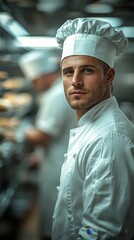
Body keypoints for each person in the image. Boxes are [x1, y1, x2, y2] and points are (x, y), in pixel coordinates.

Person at [51, 18, 134, 240]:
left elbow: (99, 231)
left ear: (109, 76)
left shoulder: (110, 139)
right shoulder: (92, 126)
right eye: (68, 72)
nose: (75, 81)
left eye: (87, 71)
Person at [18, 48, 76, 240]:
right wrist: (38, 155)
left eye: (34, 81)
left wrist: (19, 131)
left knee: (54, 220)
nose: (34, 86)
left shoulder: (56, 96)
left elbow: (43, 136)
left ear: (43, 75)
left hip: (57, 166)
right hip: (55, 159)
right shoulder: (55, 92)